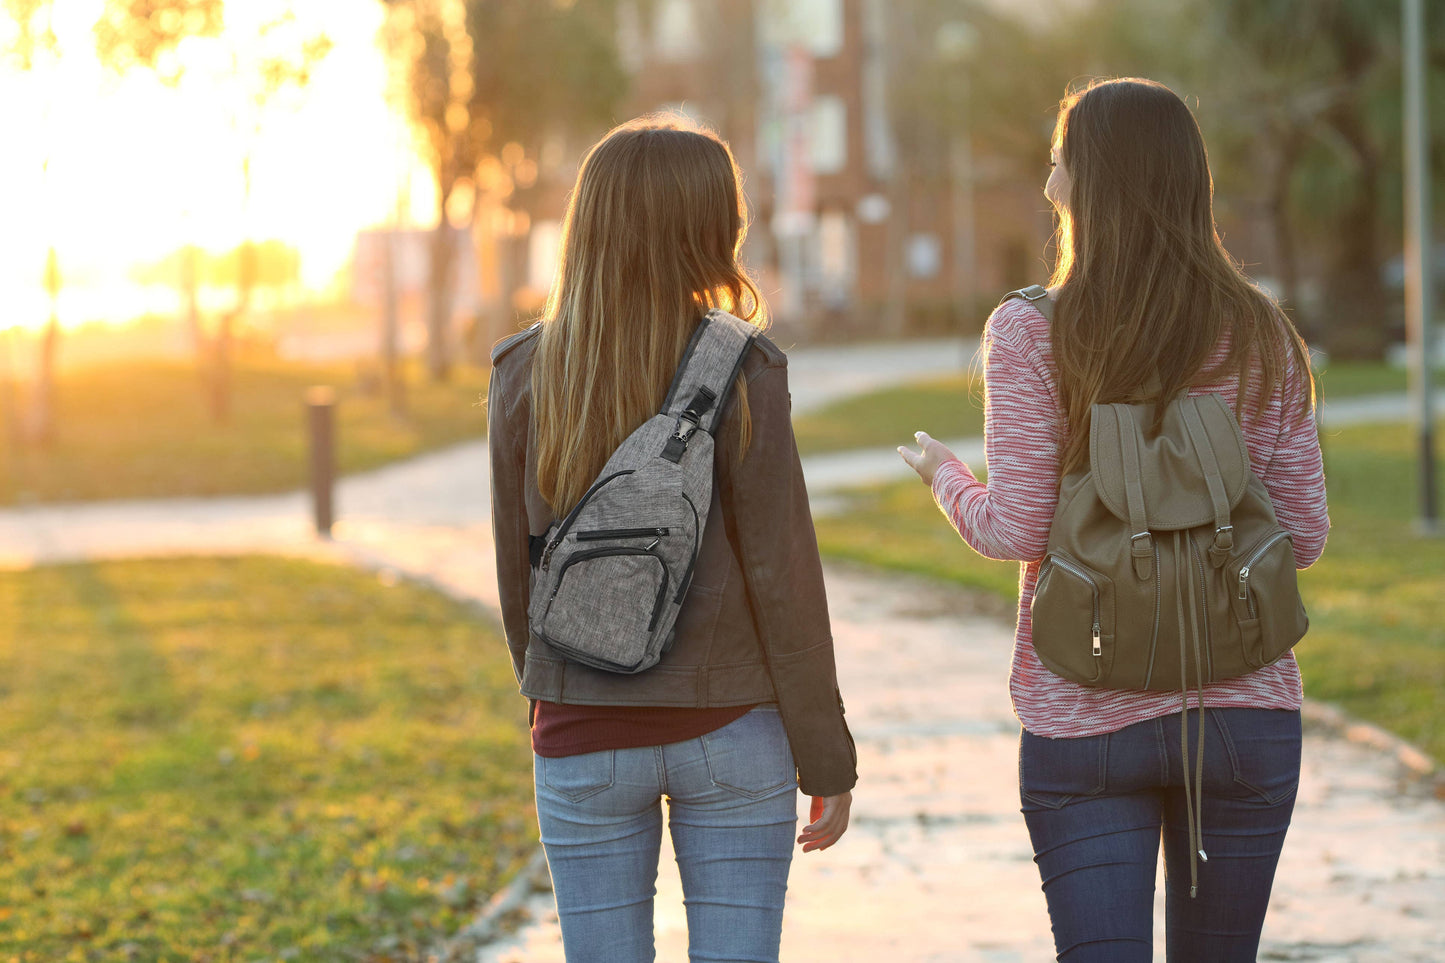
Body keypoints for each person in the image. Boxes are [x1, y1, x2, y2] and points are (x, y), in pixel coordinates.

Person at [899, 78, 1329, 961]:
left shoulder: (1030, 331)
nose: (1049, 189)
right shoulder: (1261, 335)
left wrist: (945, 477)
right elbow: (1304, 536)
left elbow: (1018, 530)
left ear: (1085, 187)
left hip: (1081, 714)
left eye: (1058, 169)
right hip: (1240, 714)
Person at [488, 115, 856, 963]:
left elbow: (519, 580)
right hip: (729, 731)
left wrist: (558, 693)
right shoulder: (745, 369)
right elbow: (783, 576)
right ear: (707, 229)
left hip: (582, 734)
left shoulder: (523, 371)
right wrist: (824, 755)